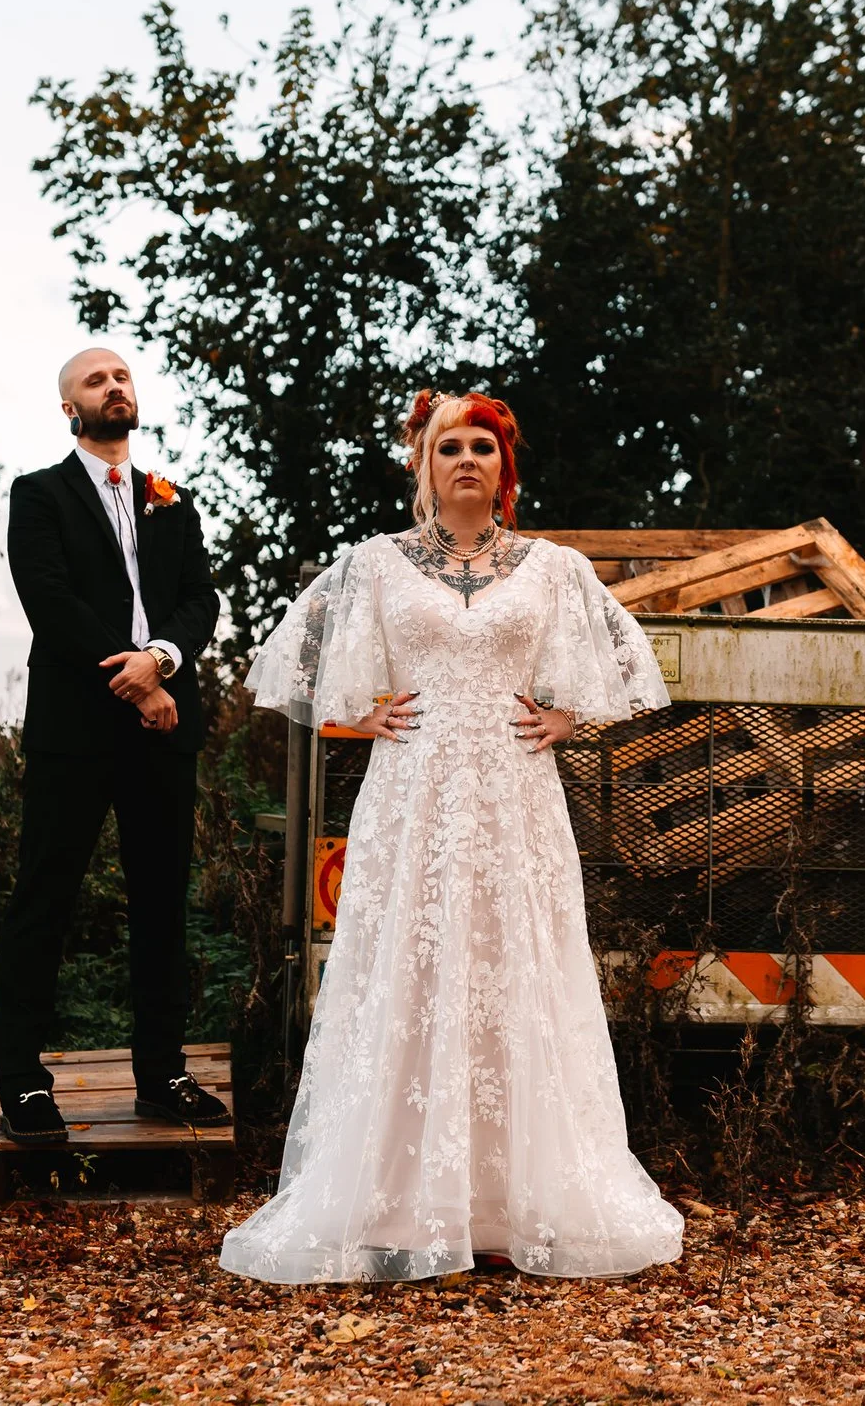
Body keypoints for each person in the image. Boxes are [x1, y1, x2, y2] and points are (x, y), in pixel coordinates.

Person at [218, 390, 684, 1282]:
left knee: (516, 967)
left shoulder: (553, 567)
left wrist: (566, 720)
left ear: (505, 465)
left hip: (515, 799)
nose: (465, 458)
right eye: (447, 446)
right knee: (414, 969)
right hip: (413, 800)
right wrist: (362, 715)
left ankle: (513, 1202)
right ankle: (398, 1198)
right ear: (423, 465)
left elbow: (621, 663)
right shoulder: (375, 565)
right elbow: (300, 663)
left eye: (481, 445)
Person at [0, 346, 231, 1144]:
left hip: (165, 727)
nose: (114, 386)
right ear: (71, 408)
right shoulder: (39, 495)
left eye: (122, 375)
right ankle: (23, 1084)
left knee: (162, 903)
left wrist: (161, 660)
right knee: (45, 899)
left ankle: (162, 1075)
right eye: (96, 380)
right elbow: (51, 601)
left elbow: (202, 599)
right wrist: (133, 677)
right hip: (77, 727)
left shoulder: (173, 500)